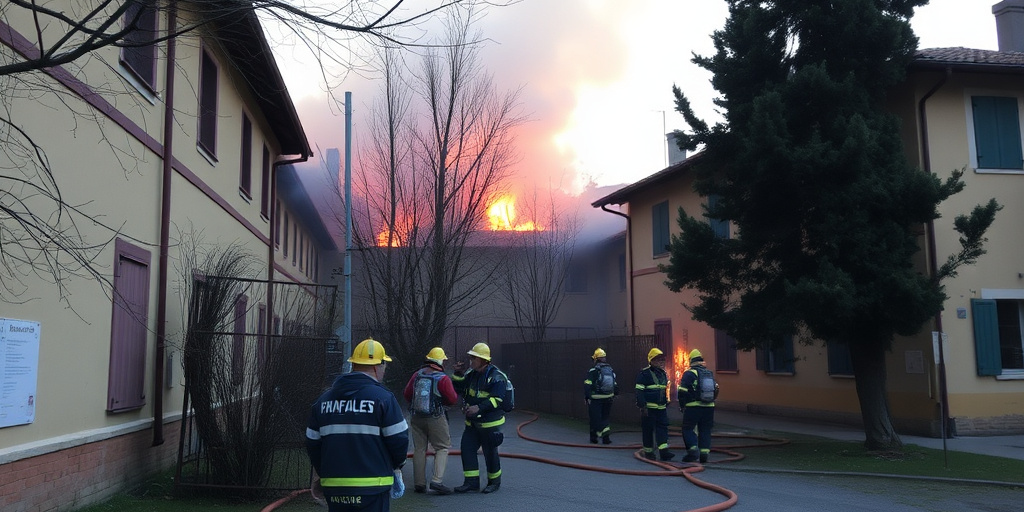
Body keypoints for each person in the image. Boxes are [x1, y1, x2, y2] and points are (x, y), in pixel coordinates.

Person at [306, 338, 409, 512]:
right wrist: (397, 465)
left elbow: (312, 444)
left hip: (335, 487)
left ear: (353, 365)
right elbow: (399, 439)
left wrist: (324, 472)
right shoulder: (384, 399)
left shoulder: (323, 401)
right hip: (373, 487)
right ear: (378, 367)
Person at [451, 342, 508, 494]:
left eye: (474, 358)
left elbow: (497, 399)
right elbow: (460, 388)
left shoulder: (497, 377)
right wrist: (458, 374)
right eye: (471, 357)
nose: (471, 361)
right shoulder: (472, 374)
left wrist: (479, 408)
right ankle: (471, 482)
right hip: (472, 423)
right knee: (467, 449)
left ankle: (494, 482)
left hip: (490, 425)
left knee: (490, 453)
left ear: (483, 360)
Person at [402, 347, 458, 494]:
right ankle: (437, 481)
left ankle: (419, 483)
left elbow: (407, 394)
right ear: (440, 361)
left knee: (420, 449)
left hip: (416, 417)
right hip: (435, 417)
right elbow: (452, 399)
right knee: (442, 447)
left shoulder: (417, 375)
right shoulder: (442, 378)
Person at [678, 348, 718, 463]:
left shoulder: (689, 373)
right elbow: (716, 389)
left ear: (691, 360)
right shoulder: (708, 373)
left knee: (688, 428)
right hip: (709, 406)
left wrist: (682, 405)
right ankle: (704, 453)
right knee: (705, 430)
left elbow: (682, 391)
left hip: (693, 406)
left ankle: (693, 451)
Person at [635, 347, 673, 461]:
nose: (660, 362)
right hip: (649, 408)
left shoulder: (663, 374)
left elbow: (665, 389)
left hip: (661, 408)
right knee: (648, 430)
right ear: (651, 361)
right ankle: (649, 452)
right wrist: (642, 406)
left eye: (662, 359)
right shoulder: (644, 374)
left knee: (662, 429)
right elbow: (639, 391)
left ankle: (664, 452)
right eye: (657, 359)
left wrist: (667, 401)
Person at [584, 348, 618, 444]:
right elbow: (614, 384)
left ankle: (594, 437)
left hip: (596, 398)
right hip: (608, 397)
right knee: (605, 417)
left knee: (595, 417)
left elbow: (588, 383)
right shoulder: (610, 369)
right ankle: (606, 438)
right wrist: (614, 394)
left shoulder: (593, 370)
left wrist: (587, 396)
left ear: (596, 359)